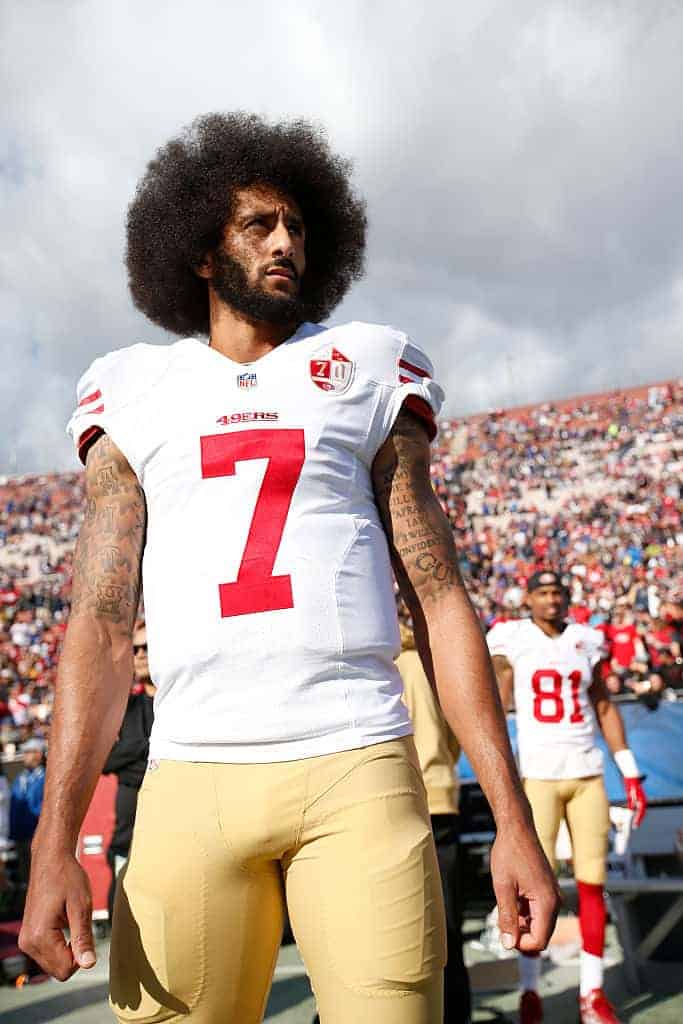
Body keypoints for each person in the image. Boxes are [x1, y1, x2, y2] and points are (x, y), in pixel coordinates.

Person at [20, 112, 559, 1024]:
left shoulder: (368, 364)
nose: (284, 244)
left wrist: (509, 817)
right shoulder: (133, 386)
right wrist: (54, 843)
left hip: (355, 760)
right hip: (192, 771)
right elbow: (103, 625)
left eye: (297, 227)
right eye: (257, 225)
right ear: (198, 251)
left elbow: (439, 598)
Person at [488, 570, 648, 1024]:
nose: (551, 599)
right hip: (537, 774)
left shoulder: (586, 639)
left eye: (557, 592)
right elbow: (498, 701)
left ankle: (592, 994)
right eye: (543, 592)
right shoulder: (511, 636)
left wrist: (630, 771)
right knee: (532, 886)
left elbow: (602, 704)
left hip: (586, 772)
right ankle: (530, 990)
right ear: (529, 598)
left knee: (593, 883)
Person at [397, 622, 472, 1023]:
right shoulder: (432, 663)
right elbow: (456, 733)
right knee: (446, 929)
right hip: (440, 796)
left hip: (393, 799)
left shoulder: (380, 667)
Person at [102, 619, 155, 919]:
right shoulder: (123, 707)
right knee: (124, 916)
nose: (141, 654)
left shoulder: (183, 703)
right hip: (129, 833)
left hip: (183, 823)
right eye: (135, 649)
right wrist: (152, 746)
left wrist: (132, 754)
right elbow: (106, 760)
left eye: (148, 647)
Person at [9, 738, 46, 891]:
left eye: (28, 752)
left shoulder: (46, 778)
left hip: (36, 834)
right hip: (20, 835)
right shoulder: (20, 779)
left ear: (38, 754)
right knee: (26, 876)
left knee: (39, 875)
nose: (25, 756)